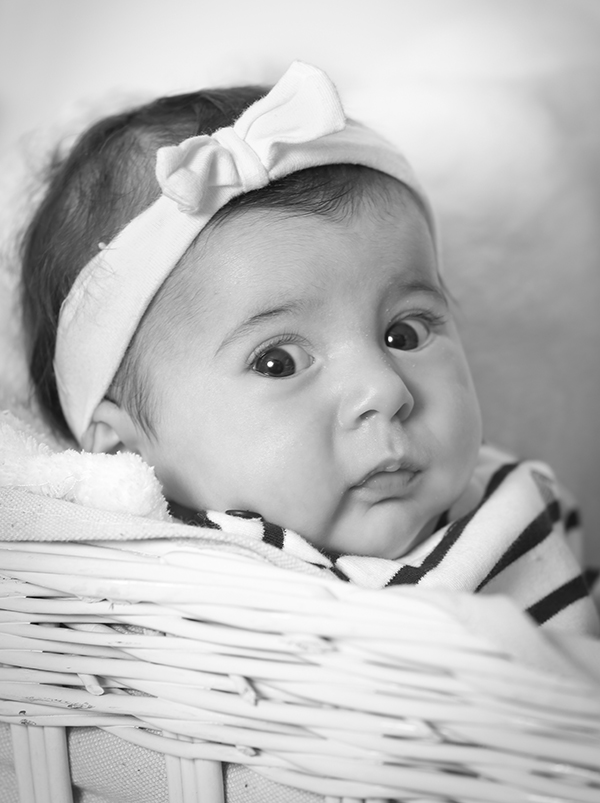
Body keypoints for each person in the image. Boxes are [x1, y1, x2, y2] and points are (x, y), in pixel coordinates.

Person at [20, 61, 598, 634]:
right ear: (124, 453)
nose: (385, 389)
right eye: (279, 362)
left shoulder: (510, 508)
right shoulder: (160, 575)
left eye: (404, 334)